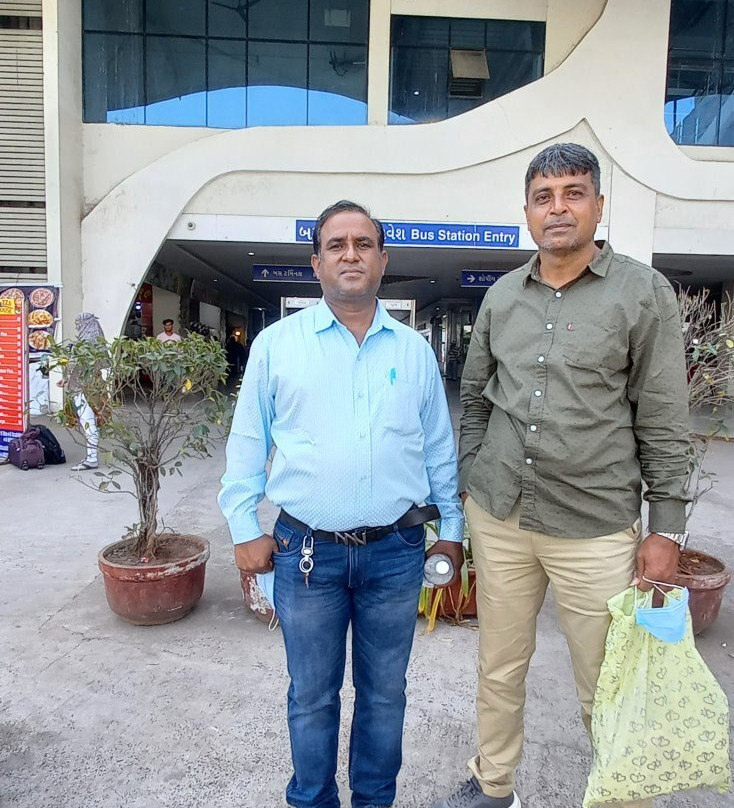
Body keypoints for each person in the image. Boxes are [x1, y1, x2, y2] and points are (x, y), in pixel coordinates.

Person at [433, 144, 690, 808]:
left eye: (574, 193)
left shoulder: (642, 292)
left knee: (606, 682)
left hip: (594, 525)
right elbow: (477, 397)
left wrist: (665, 528)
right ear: (526, 212)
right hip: (503, 516)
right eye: (544, 197)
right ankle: (493, 787)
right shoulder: (501, 297)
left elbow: (662, 415)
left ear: (599, 206)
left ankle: (619, 794)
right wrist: (471, 476)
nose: (558, 208)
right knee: (499, 667)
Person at [219, 200, 464, 808]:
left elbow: (438, 448)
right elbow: (248, 442)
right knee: (311, 695)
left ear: (383, 260)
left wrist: (452, 529)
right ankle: (312, 800)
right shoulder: (277, 346)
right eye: (337, 245)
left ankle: (374, 801)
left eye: (362, 244)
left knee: (386, 694)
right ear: (317, 262)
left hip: (397, 553)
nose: (350, 254)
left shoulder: (414, 353)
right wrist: (243, 526)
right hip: (306, 554)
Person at [61, 312, 106, 471]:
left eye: (78, 322)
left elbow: (79, 366)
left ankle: (92, 458)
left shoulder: (88, 343)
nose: (76, 325)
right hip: (90, 386)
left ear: (86, 323)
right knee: (91, 421)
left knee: (88, 421)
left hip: (85, 388)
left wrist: (69, 379)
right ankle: (91, 455)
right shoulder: (95, 341)